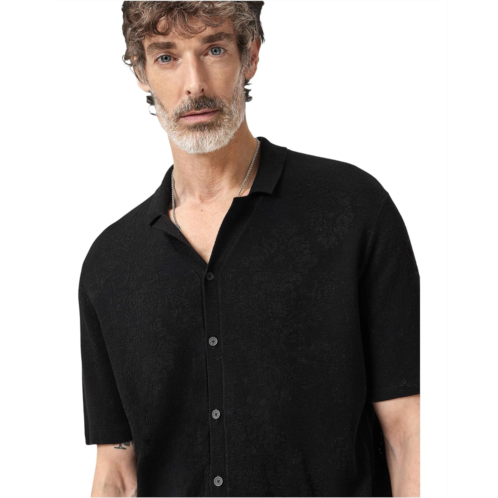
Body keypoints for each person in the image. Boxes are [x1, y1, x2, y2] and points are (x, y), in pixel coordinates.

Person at [78, 2, 420, 497]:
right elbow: (116, 471)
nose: (194, 84)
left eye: (214, 49)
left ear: (251, 55)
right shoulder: (109, 264)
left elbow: (408, 431)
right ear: (141, 72)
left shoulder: (352, 209)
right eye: (166, 56)